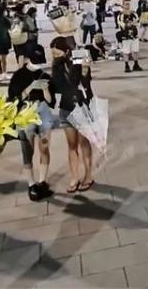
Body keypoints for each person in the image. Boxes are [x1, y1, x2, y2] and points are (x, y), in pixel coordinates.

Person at [48, 36, 95, 193]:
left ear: (66, 50)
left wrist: (85, 69)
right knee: (71, 145)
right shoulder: (57, 66)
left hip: (82, 106)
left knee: (84, 143)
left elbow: (84, 82)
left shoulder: (78, 58)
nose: (54, 56)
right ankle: (74, 177)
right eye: (53, 54)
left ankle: (88, 175)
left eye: (56, 53)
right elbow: (58, 87)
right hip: (66, 107)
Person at [8, 51, 55, 201]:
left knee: (44, 147)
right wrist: (30, 88)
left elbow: (51, 102)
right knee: (28, 150)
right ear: (28, 60)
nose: (38, 66)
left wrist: (45, 89)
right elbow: (14, 99)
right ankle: (31, 184)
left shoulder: (44, 75)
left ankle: (42, 181)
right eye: (35, 62)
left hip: (42, 110)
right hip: (25, 111)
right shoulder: (18, 75)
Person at [117, 2, 142, 73]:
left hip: (134, 35)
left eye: (128, 4)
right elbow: (121, 24)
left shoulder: (134, 13)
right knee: (126, 51)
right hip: (125, 36)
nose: (127, 6)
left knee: (135, 50)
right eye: (126, 4)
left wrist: (135, 23)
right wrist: (128, 24)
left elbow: (138, 21)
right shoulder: (120, 15)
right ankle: (126, 65)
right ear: (123, 5)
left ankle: (136, 64)